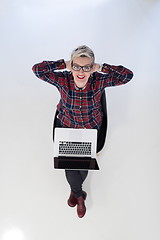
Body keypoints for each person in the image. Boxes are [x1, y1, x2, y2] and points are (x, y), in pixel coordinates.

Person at [32, 45, 133, 218]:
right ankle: (79, 196)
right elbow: (37, 70)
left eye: (86, 67)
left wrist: (101, 68)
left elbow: (127, 76)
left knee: (82, 166)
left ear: (92, 67)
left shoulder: (99, 80)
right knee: (69, 165)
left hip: (90, 129)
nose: (81, 72)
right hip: (66, 126)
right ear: (71, 65)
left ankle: (76, 192)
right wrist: (63, 63)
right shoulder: (63, 79)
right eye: (76, 66)